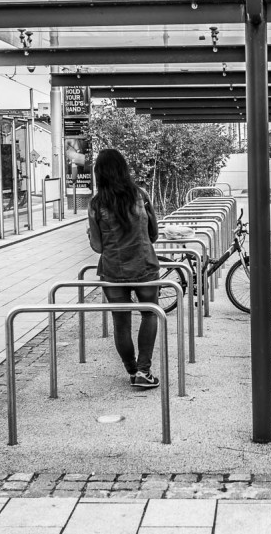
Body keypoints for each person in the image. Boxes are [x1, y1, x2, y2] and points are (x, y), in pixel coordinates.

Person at [87, 148, 162, 389]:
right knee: (149, 313)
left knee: (121, 322)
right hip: (144, 266)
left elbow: (98, 246)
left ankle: (132, 369)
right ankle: (143, 371)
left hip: (113, 270)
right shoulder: (140, 195)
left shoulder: (95, 204)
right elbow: (153, 234)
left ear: (99, 173)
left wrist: (91, 234)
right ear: (123, 169)